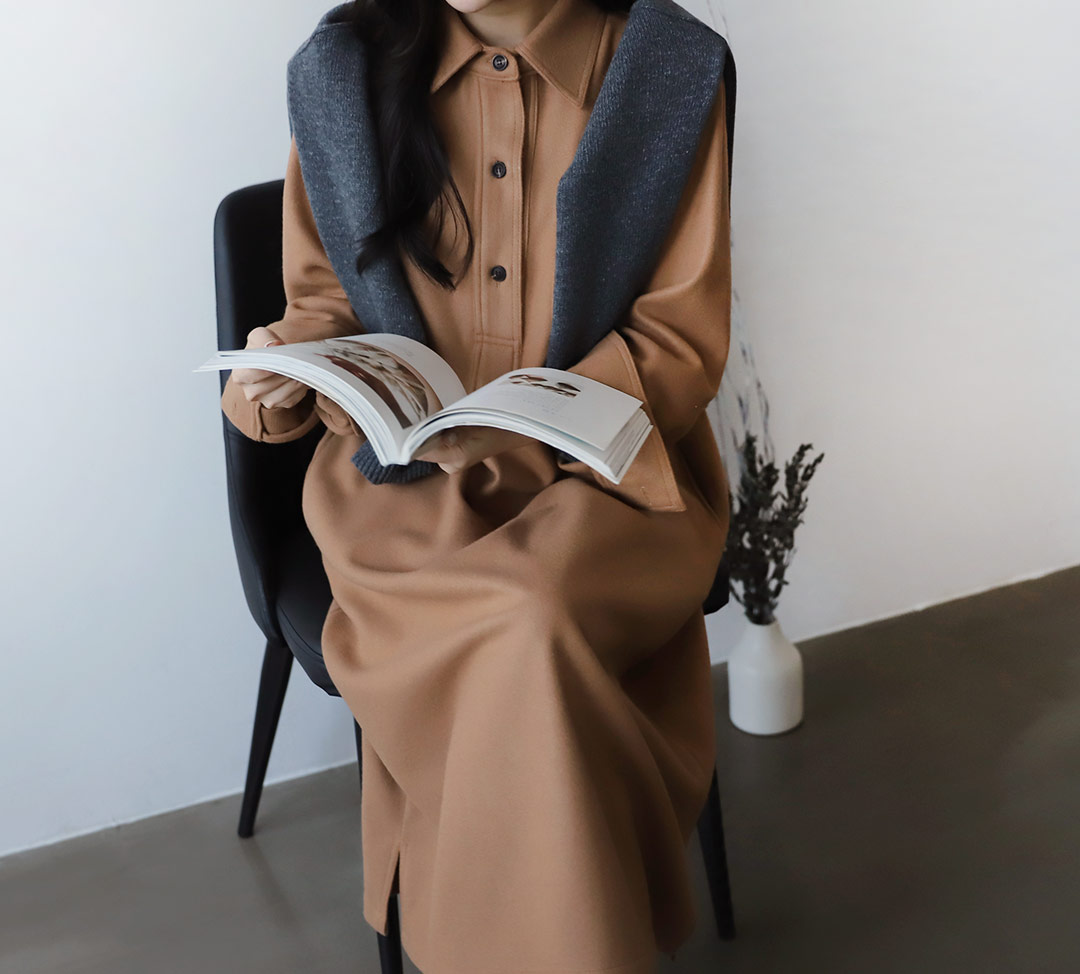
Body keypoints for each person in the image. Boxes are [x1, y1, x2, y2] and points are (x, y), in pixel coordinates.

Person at [221, 0, 733, 970]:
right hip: (400, 487)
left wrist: (525, 429)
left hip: (608, 472)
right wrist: (276, 369)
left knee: (531, 612)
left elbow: (678, 338)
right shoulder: (340, 71)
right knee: (521, 627)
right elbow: (323, 303)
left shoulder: (668, 67)